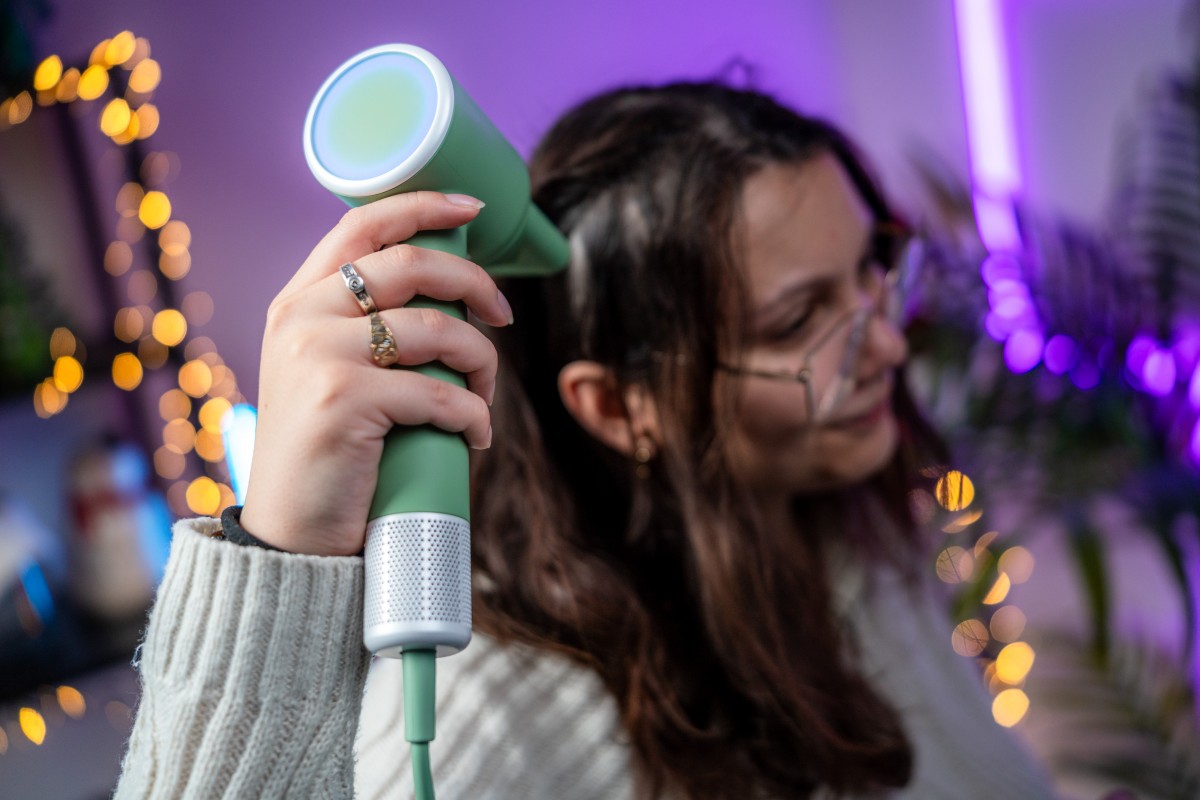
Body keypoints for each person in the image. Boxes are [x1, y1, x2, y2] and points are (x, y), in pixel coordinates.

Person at [113, 82, 1057, 799]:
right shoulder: (490, 720)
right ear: (617, 406)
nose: (888, 344)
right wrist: (280, 555)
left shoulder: (848, 530)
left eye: (871, 271)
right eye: (800, 320)